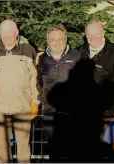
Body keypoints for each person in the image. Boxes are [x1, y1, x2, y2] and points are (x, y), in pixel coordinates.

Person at [76, 20, 114, 162]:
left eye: (96, 34)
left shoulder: (113, 54)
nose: (92, 38)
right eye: (89, 35)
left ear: (103, 34)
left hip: (108, 113)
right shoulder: (81, 51)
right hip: (85, 112)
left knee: (110, 149)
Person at [0, 19, 39, 163]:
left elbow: (35, 79)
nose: (7, 36)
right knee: (1, 148)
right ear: (0, 34)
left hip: (23, 107)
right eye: (3, 33)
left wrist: (35, 102)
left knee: (23, 147)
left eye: (10, 33)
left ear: (16, 33)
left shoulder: (28, 50)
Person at [37, 24, 81, 161]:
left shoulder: (77, 56)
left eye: (60, 39)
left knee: (73, 151)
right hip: (50, 112)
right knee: (54, 151)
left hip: (72, 112)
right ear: (48, 41)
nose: (56, 43)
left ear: (66, 39)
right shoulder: (42, 59)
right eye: (52, 40)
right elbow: (38, 83)